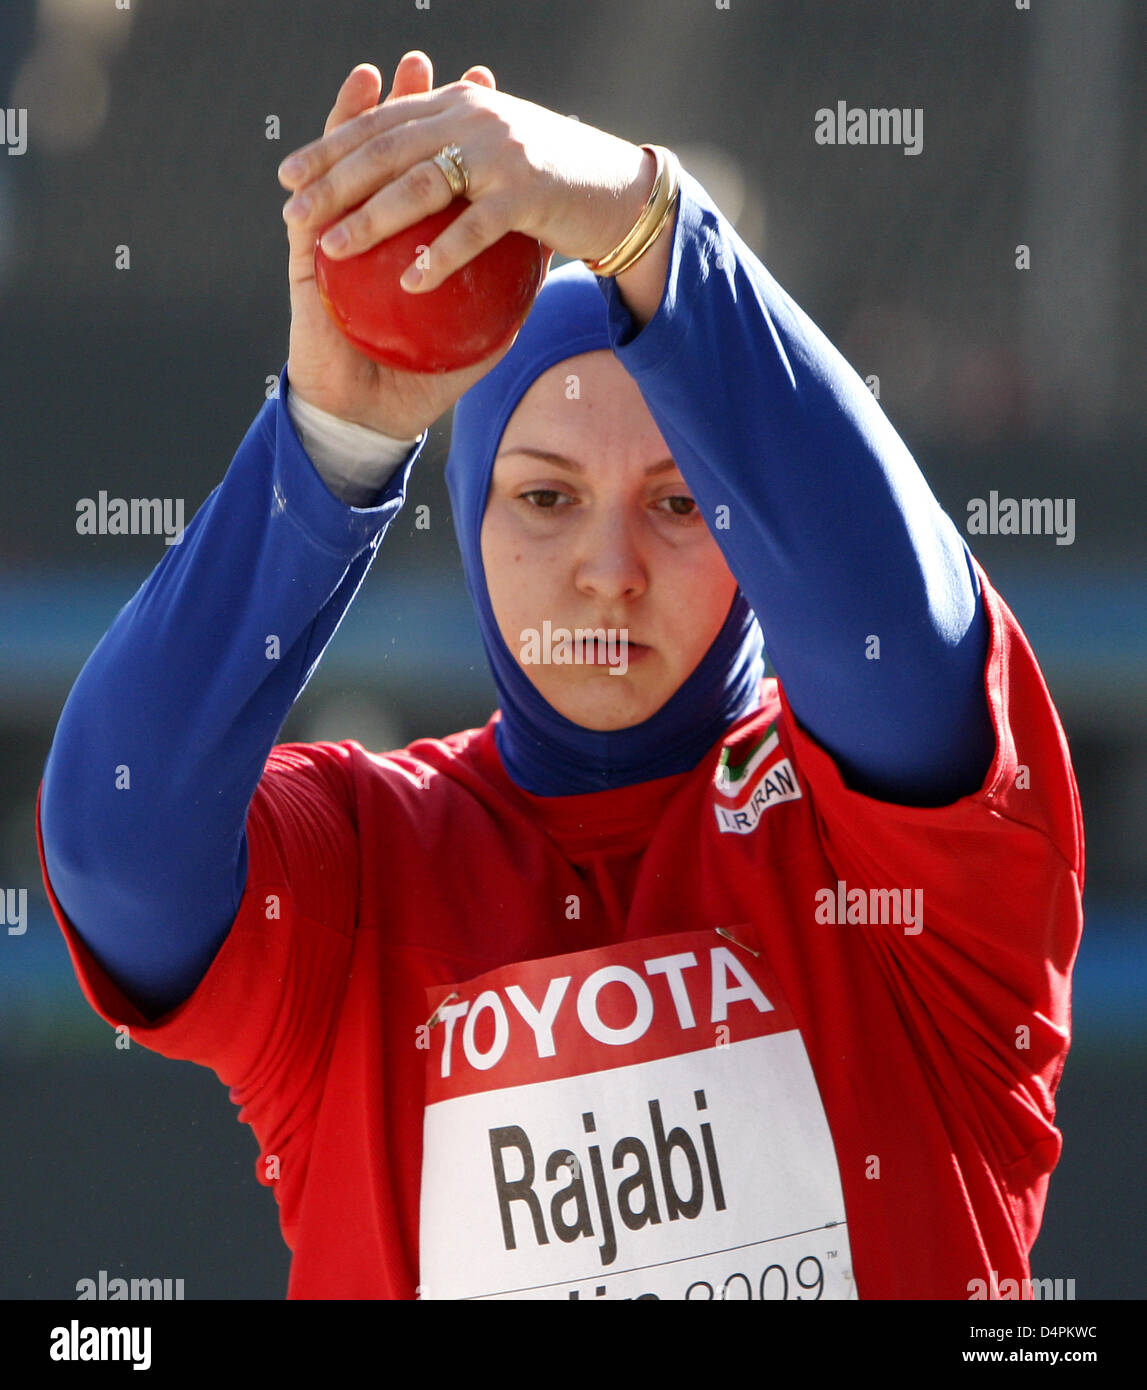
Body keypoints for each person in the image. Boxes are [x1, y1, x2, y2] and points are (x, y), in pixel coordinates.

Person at [36, 52, 1083, 1301]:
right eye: (542, 497)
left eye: (681, 502)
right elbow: (114, 840)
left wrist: (644, 214)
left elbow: (900, 642)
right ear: (470, 524)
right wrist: (329, 445)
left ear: (755, 524)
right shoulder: (367, 865)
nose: (607, 569)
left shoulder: (880, 847)